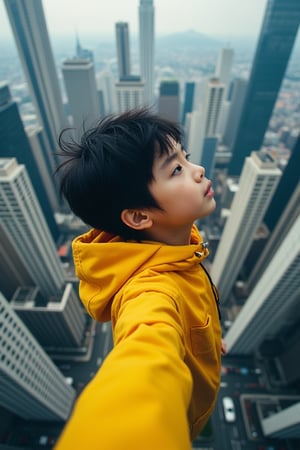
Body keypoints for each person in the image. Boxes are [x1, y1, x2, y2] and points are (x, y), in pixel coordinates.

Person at [54, 108, 225, 450]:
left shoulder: (175, 244)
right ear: (137, 216)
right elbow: (146, 359)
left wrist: (206, 338)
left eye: (185, 157)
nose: (198, 170)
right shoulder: (149, 292)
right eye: (176, 169)